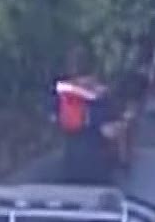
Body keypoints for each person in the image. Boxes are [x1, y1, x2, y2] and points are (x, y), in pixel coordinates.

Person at [51, 51, 131, 185]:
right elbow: (113, 131)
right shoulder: (101, 96)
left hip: (71, 162)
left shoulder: (63, 92)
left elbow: (54, 118)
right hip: (97, 162)